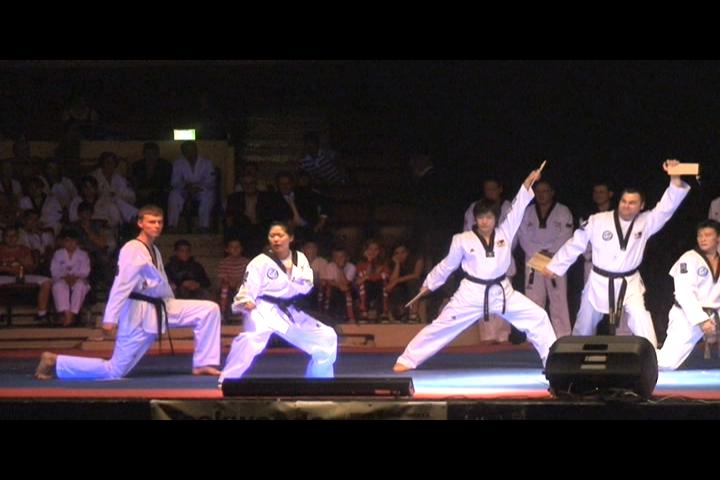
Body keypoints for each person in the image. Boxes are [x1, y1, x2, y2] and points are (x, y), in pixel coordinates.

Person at [393, 166, 557, 372]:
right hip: (471, 293)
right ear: (475, 219)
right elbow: (448, 265)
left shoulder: (505, 232)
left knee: (538, 317)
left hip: (502, 292)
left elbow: (518, 207)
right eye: (481, 218)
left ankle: (553, 361)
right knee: (442, 326)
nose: (484, 221)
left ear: (495, 218)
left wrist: (528, 181)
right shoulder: (462, 239)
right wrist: (429, 284)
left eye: (488, 217)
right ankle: (408, 359)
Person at [34, 204, 221, 380]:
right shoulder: (132, 249)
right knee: (114, 370)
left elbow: (158, 283)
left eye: (159, 222)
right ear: (140, 223)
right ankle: (55, 361)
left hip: (161, 306)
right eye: (151, 222)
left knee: (209, 310)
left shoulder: (154, 249)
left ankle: (203, 363)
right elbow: (121, 284)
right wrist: (110, 318)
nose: (156, 226)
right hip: (138, 314)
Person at [542, 160, 690, 347]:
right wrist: (555, 266)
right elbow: (576, 243)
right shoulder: (597, 220)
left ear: (641, 206)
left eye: (632, 203)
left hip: (629, 282)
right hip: (598, 280)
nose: (627, 206)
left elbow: (666, 208)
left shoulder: (646, 222)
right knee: (584, 323)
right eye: (624, 201)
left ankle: (652, 355)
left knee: (640, 317)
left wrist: (675, 178)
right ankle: (575, 353)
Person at [219, 221, 338, 384]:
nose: (276, 239)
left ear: (291, 238)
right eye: (272, 236)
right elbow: (247, 286)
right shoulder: (260, 261)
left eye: (280, 235)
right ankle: (227, 380)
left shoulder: (299, 258)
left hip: (290, 311)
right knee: (250, 340)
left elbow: (307, 285)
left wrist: (291, 273)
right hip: (262, 309)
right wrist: (246, 300)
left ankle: (319, 382)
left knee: (326, 337)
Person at [656, 220, 720, 370]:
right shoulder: (689, 259)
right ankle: (638, 365)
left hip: (714, 313)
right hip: (687, 316)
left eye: (708, 235)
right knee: (667, 363)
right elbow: (684, 293)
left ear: (718, 238)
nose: (703, 239)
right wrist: (702, 320)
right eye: (700, 235)